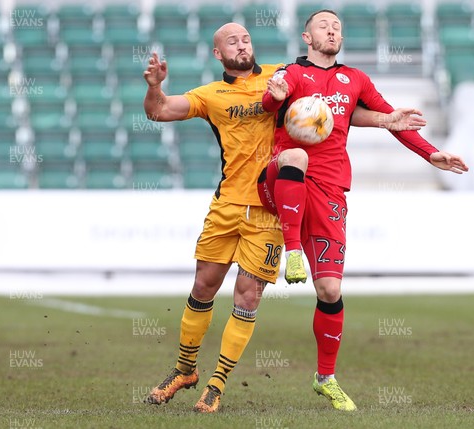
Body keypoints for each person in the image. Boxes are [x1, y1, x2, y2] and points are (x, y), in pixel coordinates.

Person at [142, 22, 428, 413]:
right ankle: (184, 369)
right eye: (231, 42)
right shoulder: (211, 95)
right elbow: (158, 111)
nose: (241, 46)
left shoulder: (285, 76)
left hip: (271, 206)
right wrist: (155, 86)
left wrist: (385, 121)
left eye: (245, 39)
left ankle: (217, 384)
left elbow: (338, 112)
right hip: (226, 203)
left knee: (247, 295)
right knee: (203, 287)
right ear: (217, 54)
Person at [258, 10, 469, 411]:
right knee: (297, 156)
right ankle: (293, 252)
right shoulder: (291, 73)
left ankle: (326, 378)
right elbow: (270, 106)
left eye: (337, 26)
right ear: (306, 35)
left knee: (331, 290)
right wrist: (276, 96)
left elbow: (394, 120)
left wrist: (431, 154)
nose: (332, 30)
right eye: (324, 25)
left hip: (331, 190)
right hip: (282, 175)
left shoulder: (354, 80)